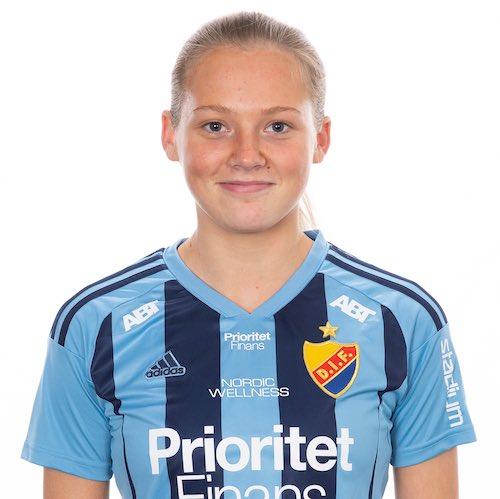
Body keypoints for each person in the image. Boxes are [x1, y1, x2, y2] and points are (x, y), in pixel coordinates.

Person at [20, 10, 477, 499]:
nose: (246, 155)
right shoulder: (95, 326)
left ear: (320, 138)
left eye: (277, 126)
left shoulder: (403, 322)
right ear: (170, 135)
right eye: (215, 125)